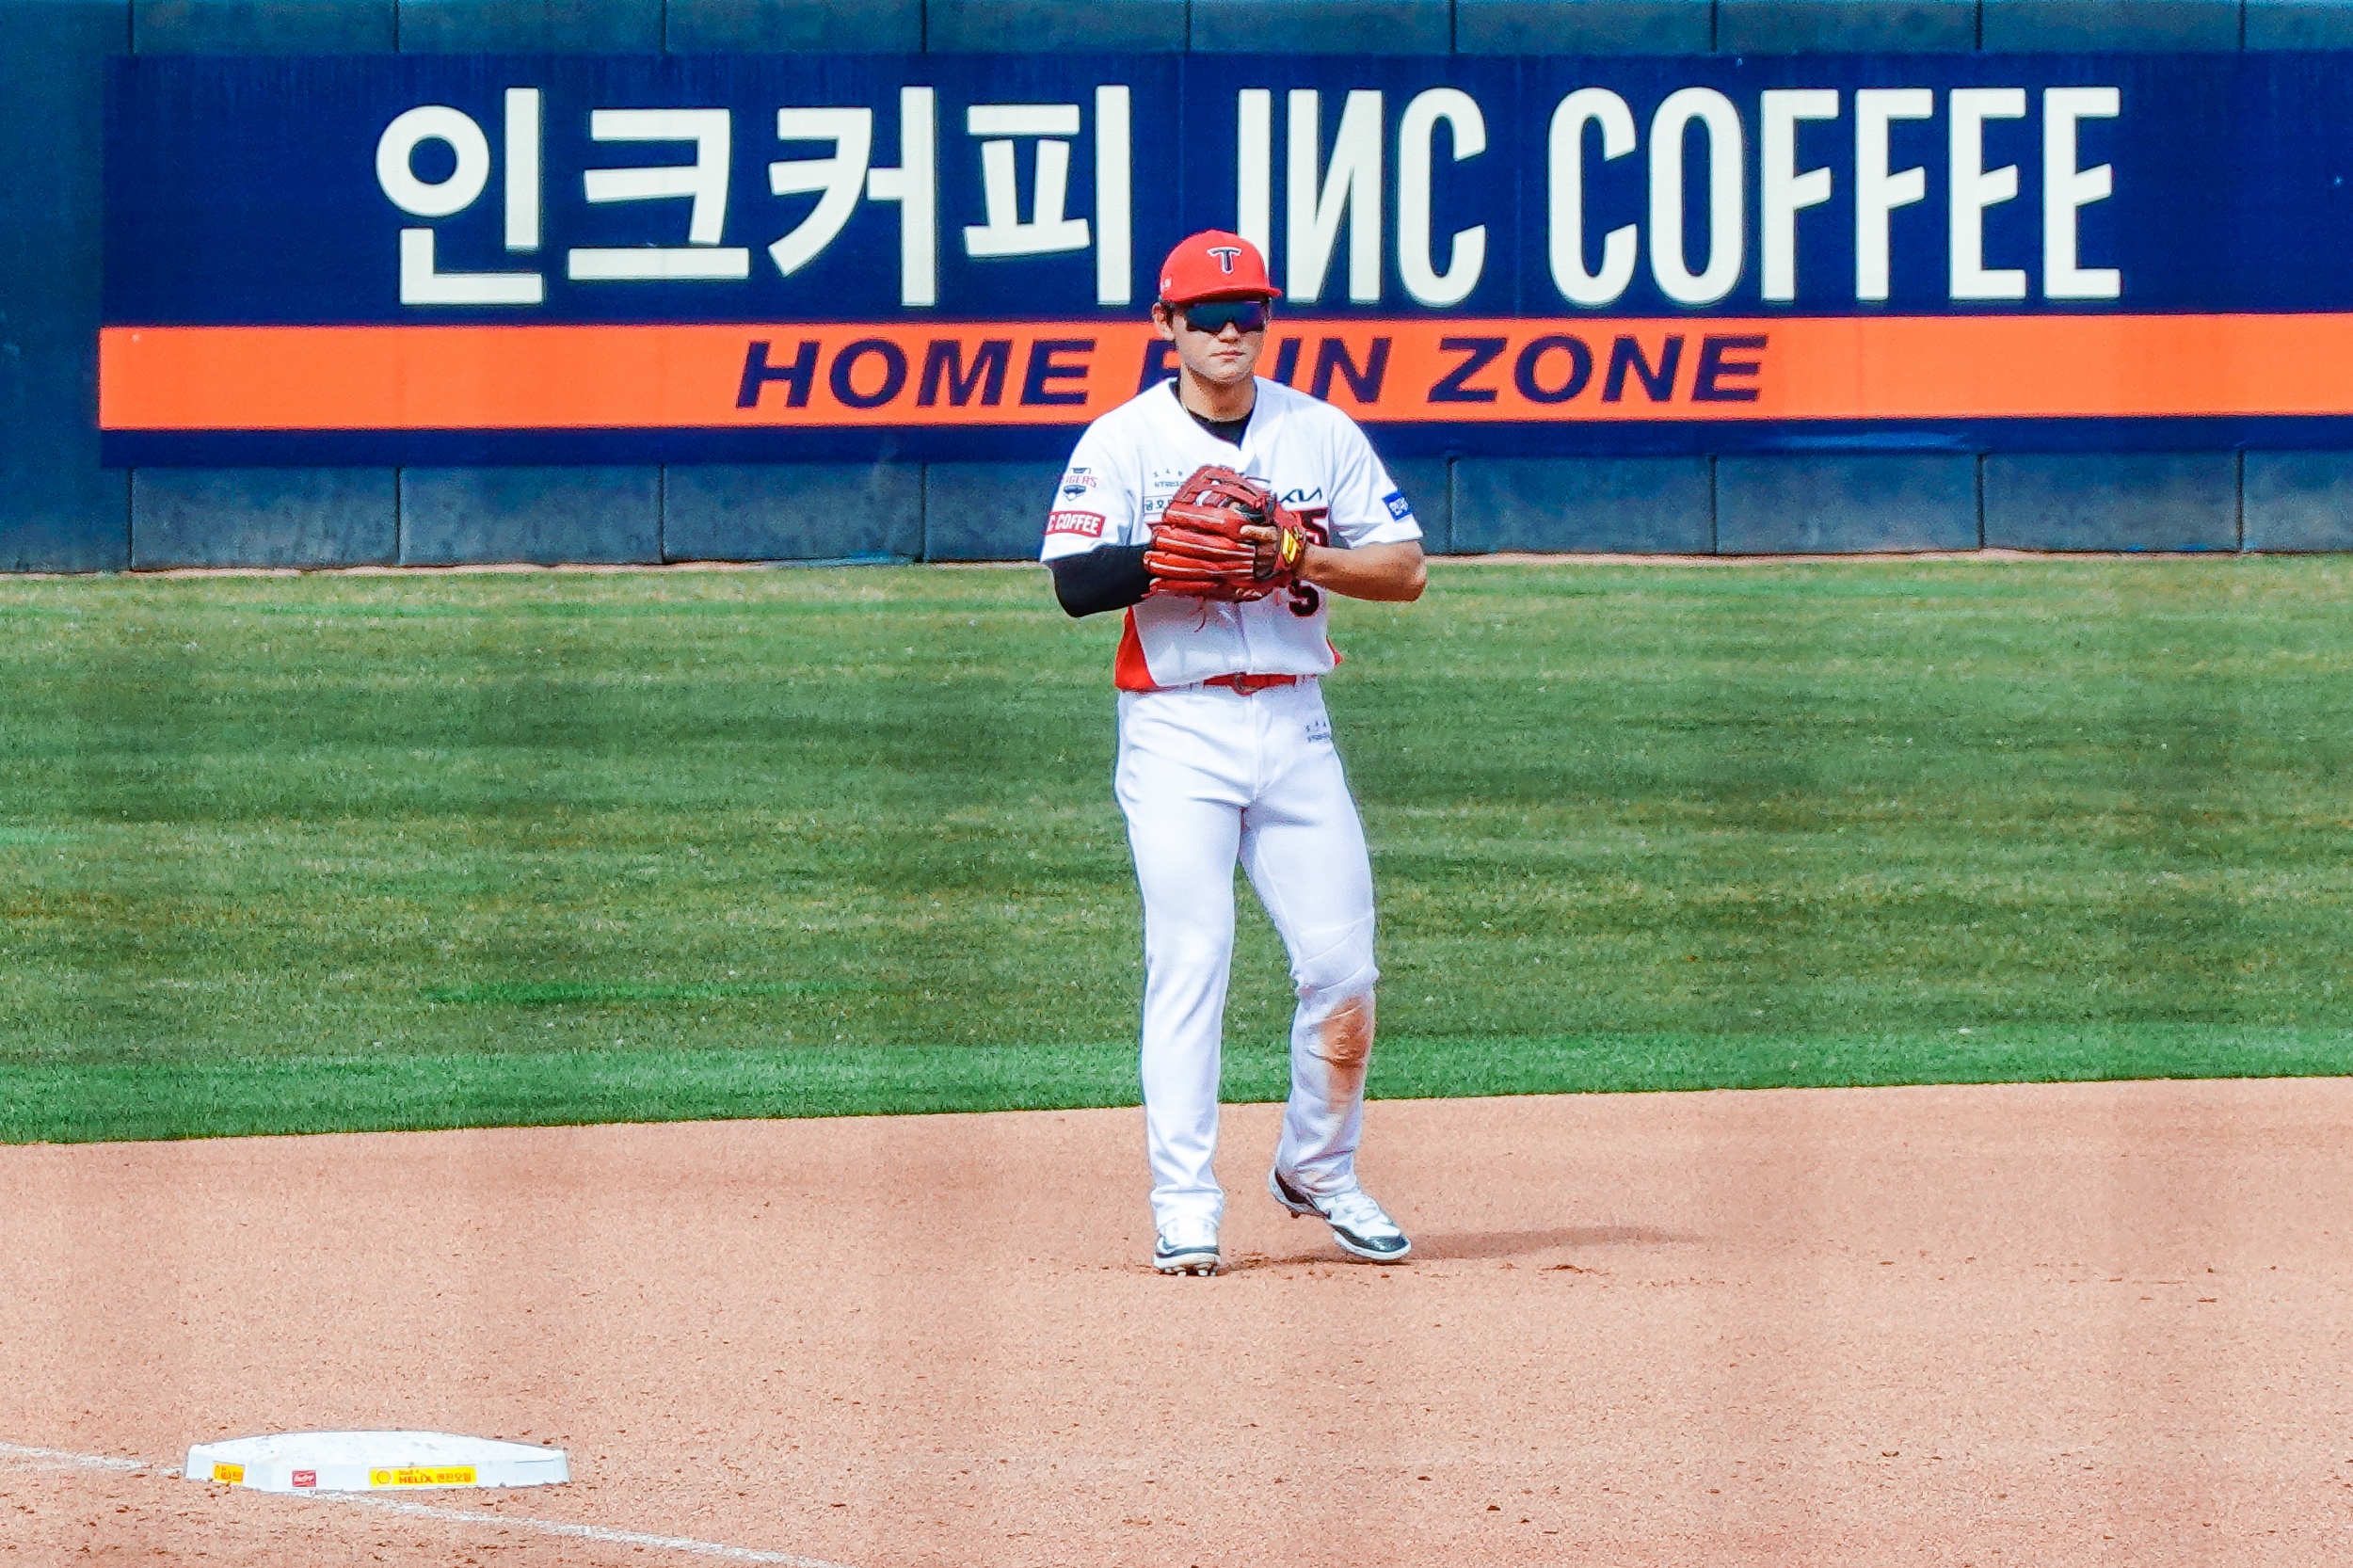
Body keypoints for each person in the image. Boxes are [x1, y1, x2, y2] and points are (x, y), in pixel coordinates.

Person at [1039, 230, 1428, 1276]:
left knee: (1344, 971)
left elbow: (1404, 570)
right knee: (1191, 960)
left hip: (1296, 723)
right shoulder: (1124, 439)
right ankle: (1184, 1203)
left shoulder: (1318, 430)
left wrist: (1301, 553)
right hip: (1177, 729)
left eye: (1246, 313)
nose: (1228, 331)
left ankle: (1319, 1169)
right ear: (1164, 325)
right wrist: (1168, 557)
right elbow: (1074, 583)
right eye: (1205, 315)